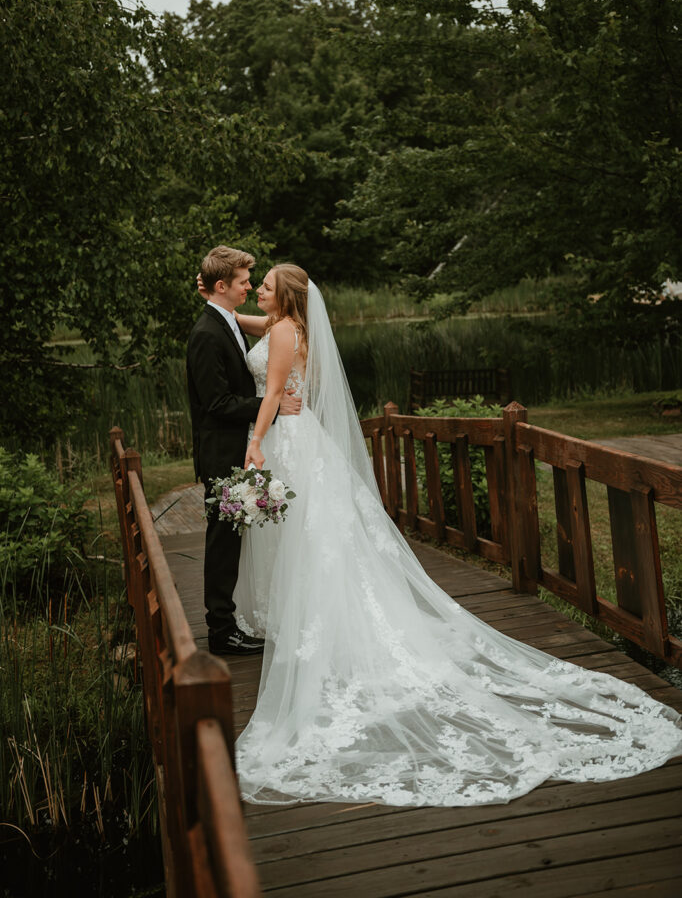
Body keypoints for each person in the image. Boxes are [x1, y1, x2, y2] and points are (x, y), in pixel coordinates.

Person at [216, 264, 682, 807]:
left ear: (286, 296)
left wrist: (255, 447)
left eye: (266, 285)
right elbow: (256, 324)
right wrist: (226, 309)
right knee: (323, 542)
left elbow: (271, 394)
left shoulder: (280, 331)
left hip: (286, 440)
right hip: (306, 443)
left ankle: (319, 633)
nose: (259, 290)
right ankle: (319, 625)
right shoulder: (292, 326)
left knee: (313, 543)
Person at [186, 246, 301, 657]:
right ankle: (221, 630)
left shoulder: (225, 320)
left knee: (235, 539)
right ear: (223, 286)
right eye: (244, 281)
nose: (250, 286)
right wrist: (270, 405)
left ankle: (232, 622)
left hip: (242, 445)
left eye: (255, 281)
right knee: (223, 541)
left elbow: (251, 328)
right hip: (222, 452)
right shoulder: (205, 334)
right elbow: (216, 404)